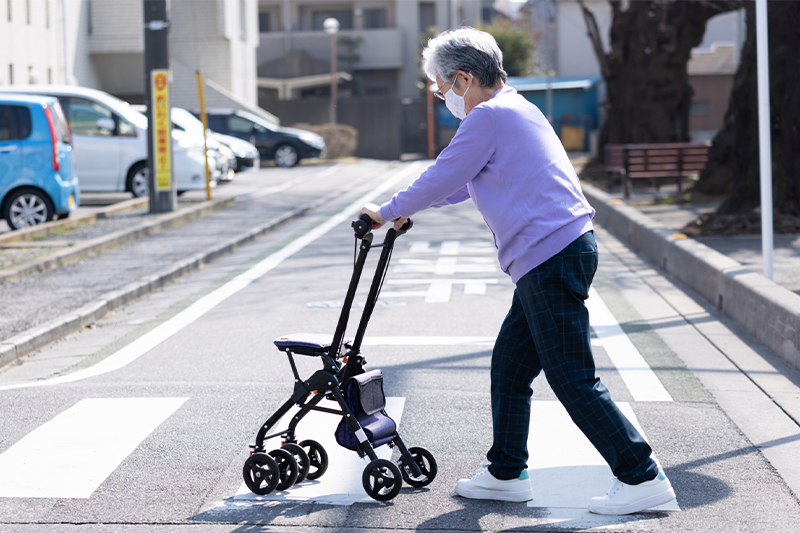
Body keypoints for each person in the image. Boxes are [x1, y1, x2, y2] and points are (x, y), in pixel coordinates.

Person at [358, 27, 676, 515]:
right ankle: (506, 472)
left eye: (442, 88)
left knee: (572, 378)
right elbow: (464, 182)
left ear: (464, 78)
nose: (442, 97)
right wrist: (412, 208)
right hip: (554, 253)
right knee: (510, 367)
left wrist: (386, 209)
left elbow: (445, 172)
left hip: (550, 256)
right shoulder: (516, 108)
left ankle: (641, 476)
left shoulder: (487, 116)